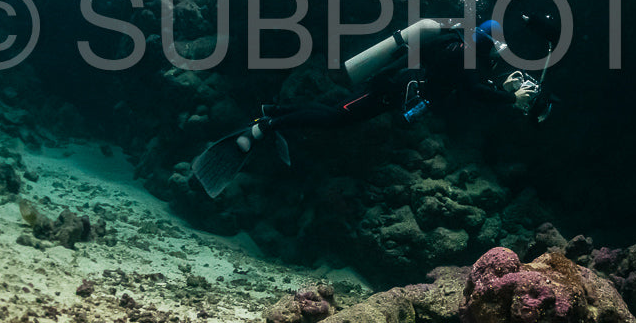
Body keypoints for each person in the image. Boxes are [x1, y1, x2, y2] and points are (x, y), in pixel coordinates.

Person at [191, 20, 546, 197]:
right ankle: (267, 124)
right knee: (335, 117)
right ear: (485, 44)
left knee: (335, 113)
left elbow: (473, 85)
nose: (494, 56)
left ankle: (277, 111)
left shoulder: (458, 48)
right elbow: (473, 89)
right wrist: (510, 98)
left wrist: (504, 90)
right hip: (387, 90)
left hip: (391, 92)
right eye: (493, 49)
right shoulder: (462, 54)